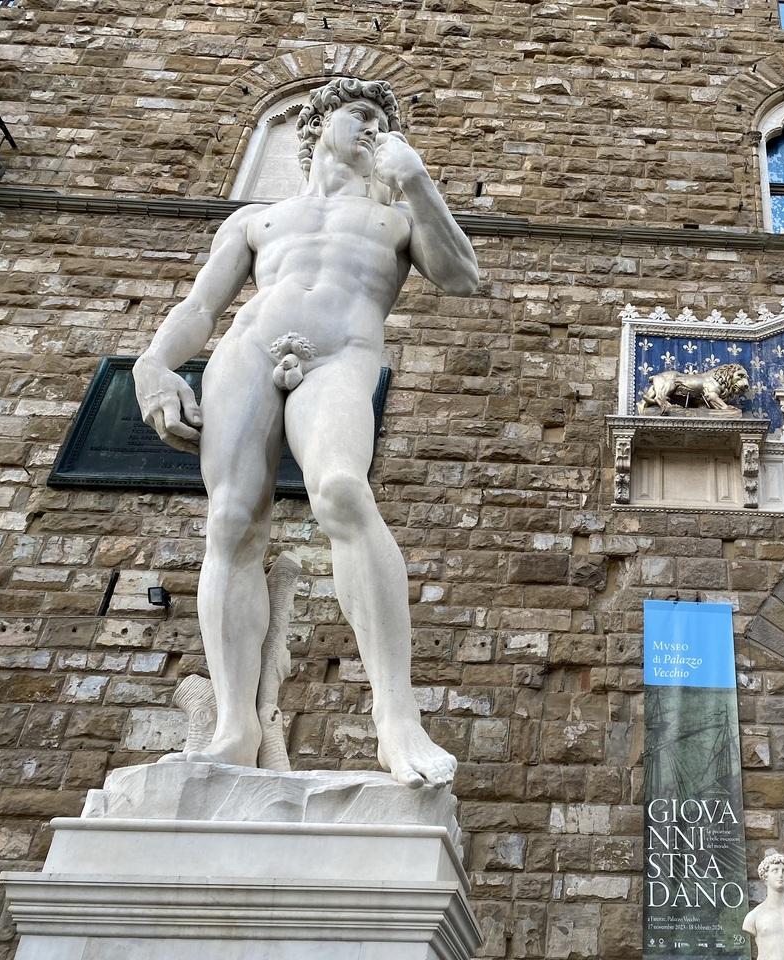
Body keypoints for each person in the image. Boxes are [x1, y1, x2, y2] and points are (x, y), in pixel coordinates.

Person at [132, 77, 479, 787]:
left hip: (341, 355)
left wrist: (418, 182)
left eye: (383, 121)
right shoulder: (258, 220)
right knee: (231, 522)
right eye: (362, 114)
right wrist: (153, 364)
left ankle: (396, 717)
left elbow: (460, 275)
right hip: (248, 350)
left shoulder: (396, 217)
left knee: (343, 491)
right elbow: (200, 307)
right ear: (316, 124)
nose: (373, 128)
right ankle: (234, 727)